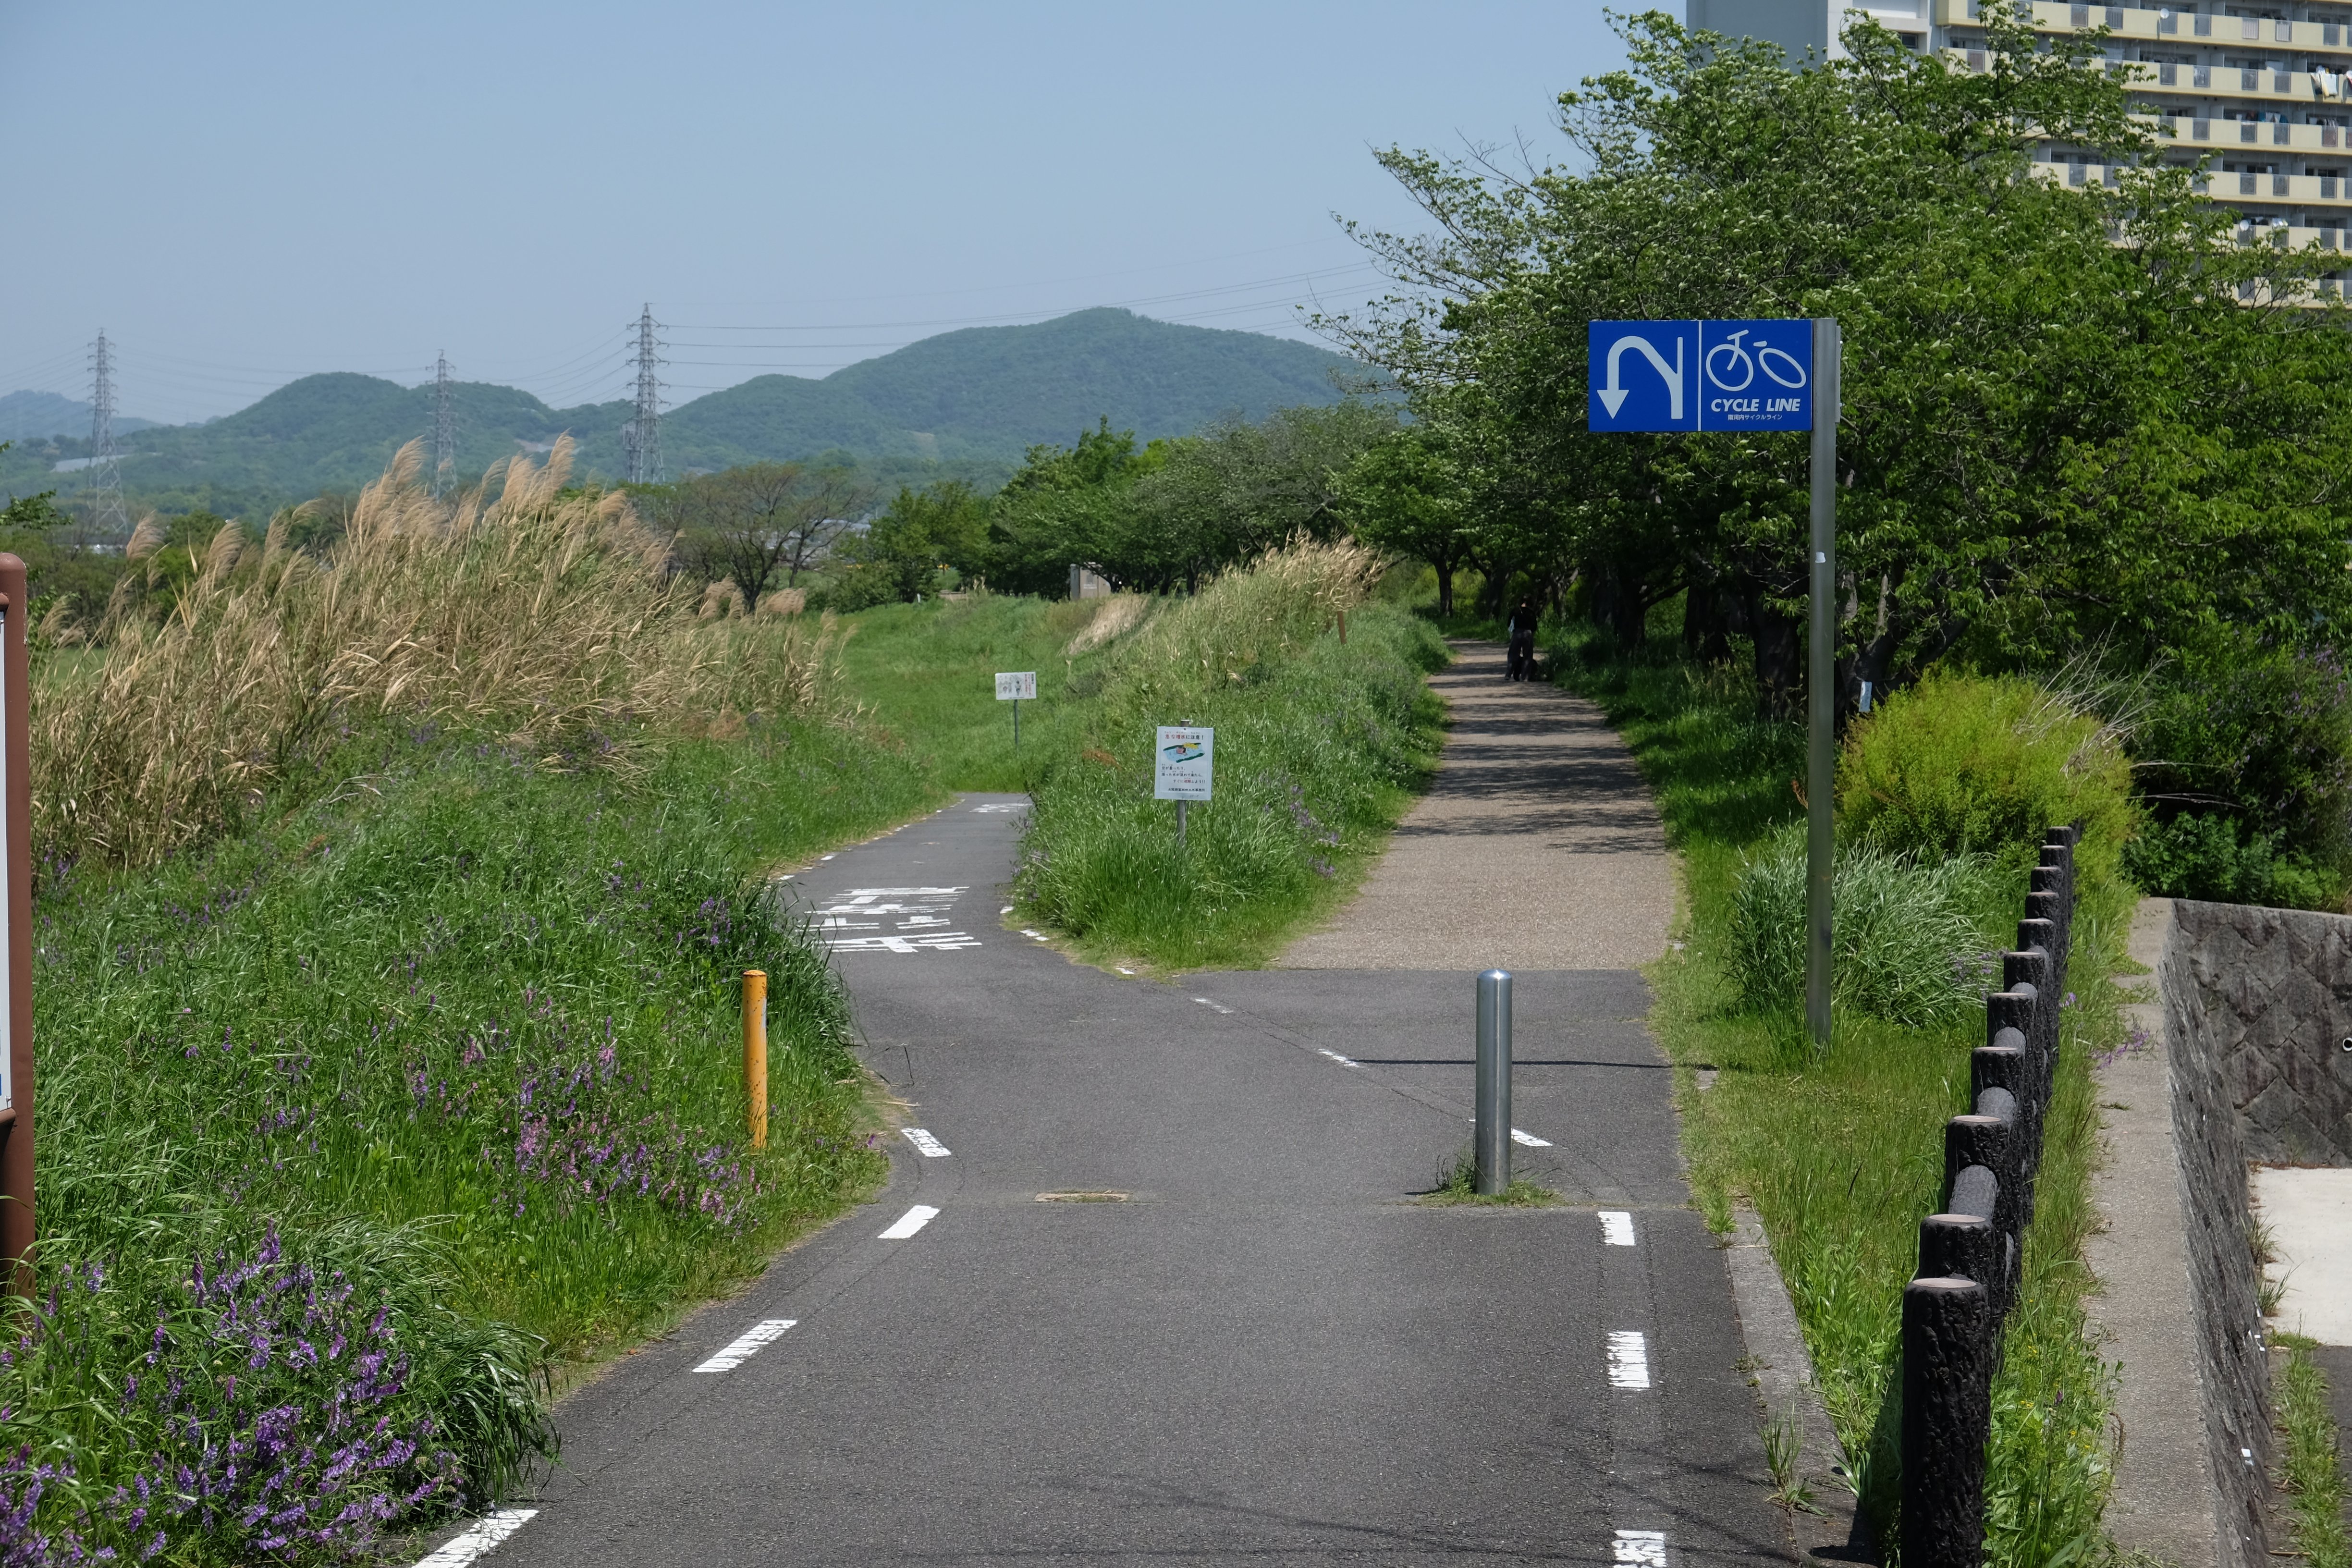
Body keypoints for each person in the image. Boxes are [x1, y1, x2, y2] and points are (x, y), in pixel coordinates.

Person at [1505, 598, 1539, 682]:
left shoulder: (1515, 611)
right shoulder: (1531, 613)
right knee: (1527, 656)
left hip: (1517, 633)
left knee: (1513, 654)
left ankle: (1508, 675)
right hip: (1528, 634)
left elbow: (1509, 623)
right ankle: (1525, 677)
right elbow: (1535, 626)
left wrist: (1513, 631)